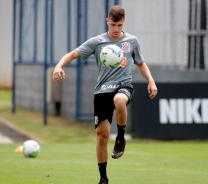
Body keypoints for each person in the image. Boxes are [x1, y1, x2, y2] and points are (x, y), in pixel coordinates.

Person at [52, 5, 157, 184]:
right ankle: (103, 178)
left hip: (123, 86)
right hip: (102, 92)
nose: (116, 29)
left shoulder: (132, 41)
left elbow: (140, 63)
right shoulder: (97, 42)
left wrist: (151, 81)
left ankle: (121, 138)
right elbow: (72, 54)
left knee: (119, 101)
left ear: (124, 23)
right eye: (113, 24)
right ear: (107, 21)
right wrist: (58, 66)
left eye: (120, 25)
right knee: (102, 136)